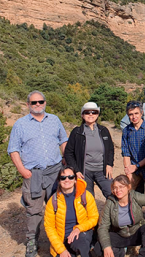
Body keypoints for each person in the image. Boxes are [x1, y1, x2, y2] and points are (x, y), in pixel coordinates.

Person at [7, 90, 68, 257]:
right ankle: (32, 242)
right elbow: (13, 149)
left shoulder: (54, 120)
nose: (38, 105)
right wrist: (23, 171)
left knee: (57, 206)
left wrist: (66, 161)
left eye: (41, 101)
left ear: (45, 102)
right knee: (34, 210)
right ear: (28, 105)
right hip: (33, 173)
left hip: (55, 171)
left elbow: (63, 140)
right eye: (34, 102)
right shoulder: (20, 124)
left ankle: (57, 241)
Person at [121, 100, 145, 240]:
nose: (134, 117)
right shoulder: (127, 130)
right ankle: (135, 226)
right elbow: (125, 152)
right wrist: (128, 171)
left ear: (141, 113)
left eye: (136, 113)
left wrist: (137, 165)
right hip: (133, 170)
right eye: (131, 114)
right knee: (133, 199)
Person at [44, 166, 99, 257]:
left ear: (75, 180)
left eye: (71, 177)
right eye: (63, 178)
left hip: (81, 233)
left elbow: (94, 218)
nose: (67, 180)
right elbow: (49, 227)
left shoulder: (85, 196)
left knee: (82, 241)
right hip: (62, 239)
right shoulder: (53, 201)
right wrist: (61, 250)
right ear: (59, 181)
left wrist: (79, 228)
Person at [64, 102, 114, 198]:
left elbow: (110, 149)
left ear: (97, 114)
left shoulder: (103, 131)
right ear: (82, 115)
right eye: (87, 112)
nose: (91, 114)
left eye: (94, 112)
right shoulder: (77, 132)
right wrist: (76, 170)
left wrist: (109, 164)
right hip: (84, 172)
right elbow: (68, 153)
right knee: (86, 199)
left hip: (102, 170)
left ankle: (109, 213)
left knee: (112, 193)